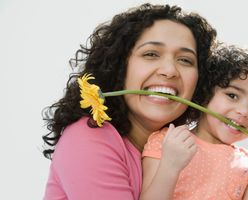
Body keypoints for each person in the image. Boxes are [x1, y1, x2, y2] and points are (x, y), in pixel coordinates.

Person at [41, 3, 217, 200]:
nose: (169, 70)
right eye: (151, 54)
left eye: (185, 60)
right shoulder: (89, 136)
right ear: (119, 66)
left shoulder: (185, 153)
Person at [141, 43, 248, 200]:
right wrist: (170, 166)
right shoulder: (169, 141)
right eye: (232, 95)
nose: (244, 112)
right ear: (206, 93)